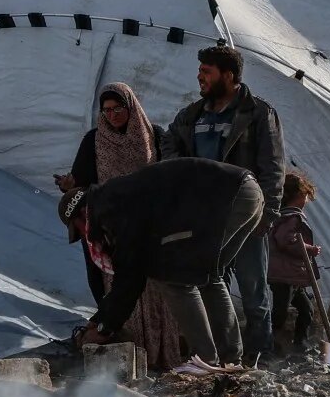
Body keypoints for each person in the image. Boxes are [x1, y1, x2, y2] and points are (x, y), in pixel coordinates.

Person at [61, 158, 264, 367]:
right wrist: (100, 319)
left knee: (175, 281)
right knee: (209, 277)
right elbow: (130, 273)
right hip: (245, 191)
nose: (87, 238)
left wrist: (105, 329)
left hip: (225, 198)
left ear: (84, 213)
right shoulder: (116, 196)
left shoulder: (111, 208)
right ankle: (230, 360)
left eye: (79, 229)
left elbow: (131, 276)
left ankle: (205, 361)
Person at [161, 45, 286, 365]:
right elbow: (169, 142)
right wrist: (186, 174)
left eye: (207, 71)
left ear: (228, 76)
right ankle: (219, 356)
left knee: (253, 288)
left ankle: (261, 354)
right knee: (212, 282)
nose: (200, 77)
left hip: (244, 214)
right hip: (205, 216)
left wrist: (268, 211)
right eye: (200, 70)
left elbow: (272, 165)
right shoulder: (192, 115)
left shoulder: (256, 113)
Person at [54, 83, 183, 371]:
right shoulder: (93, 142)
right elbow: (83, 187)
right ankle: (129, 354)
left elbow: (170, 177)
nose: (112, 115)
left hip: (152, 229)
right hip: (112, 232)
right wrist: (71, 185)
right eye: (107, 110)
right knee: (121, 288)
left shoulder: (154, 137)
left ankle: (162, 356)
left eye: (119, 109)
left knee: (155, 291)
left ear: (132, 106)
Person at [269, 171, 323, 358]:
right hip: (284, 275)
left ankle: (301, 344)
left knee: (306, 309)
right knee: (279, 313)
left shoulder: (285, 216)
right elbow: (286, 240)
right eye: (306, 195)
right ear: (301, 195)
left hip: (293, 275)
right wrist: (310, 249)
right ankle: (268, 344)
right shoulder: (292, 217)